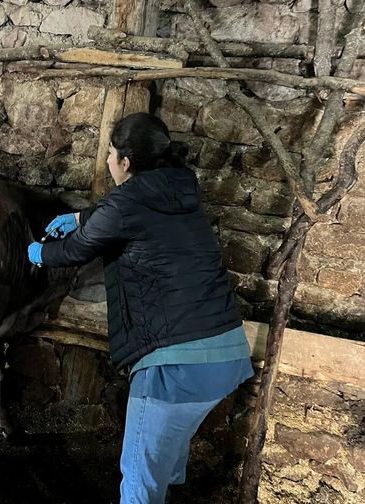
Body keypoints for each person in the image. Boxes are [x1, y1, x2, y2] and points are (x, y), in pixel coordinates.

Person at [27, 112, 254, 503]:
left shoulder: (126, 201)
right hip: (227, 354)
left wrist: (38, 252)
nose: (110, 161)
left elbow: (79, 248)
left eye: (111, 154)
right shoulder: (181, 186)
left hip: (173, 366)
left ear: (125, 161)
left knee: (138, 480)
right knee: (165, 460)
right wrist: (81, 216)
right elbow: (131, 212)